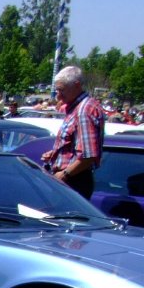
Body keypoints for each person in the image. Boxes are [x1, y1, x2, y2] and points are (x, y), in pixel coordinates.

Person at [39, 64, 105, 199]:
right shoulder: (77, 108)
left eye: (61, 90)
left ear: (77, 85)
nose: (58, 96)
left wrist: (64, 175)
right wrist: (56, 154)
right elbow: (77, 146)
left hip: (74, 180)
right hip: (71, 178)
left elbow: (89, 155)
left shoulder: (83, 111)